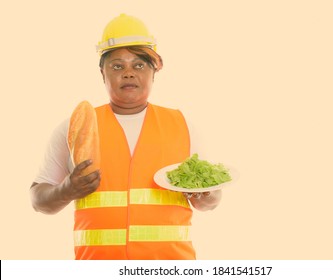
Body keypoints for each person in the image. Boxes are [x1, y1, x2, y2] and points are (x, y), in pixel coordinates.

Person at [30, 13, 222, 260]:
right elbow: (38, 200)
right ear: (103, 73)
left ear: (155, 71)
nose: (128, 73)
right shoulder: (76, 126)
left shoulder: (183, 125)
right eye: (117, 66)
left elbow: (211, 200)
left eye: (139, 65)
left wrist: (206, 196)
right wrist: (66, 189)